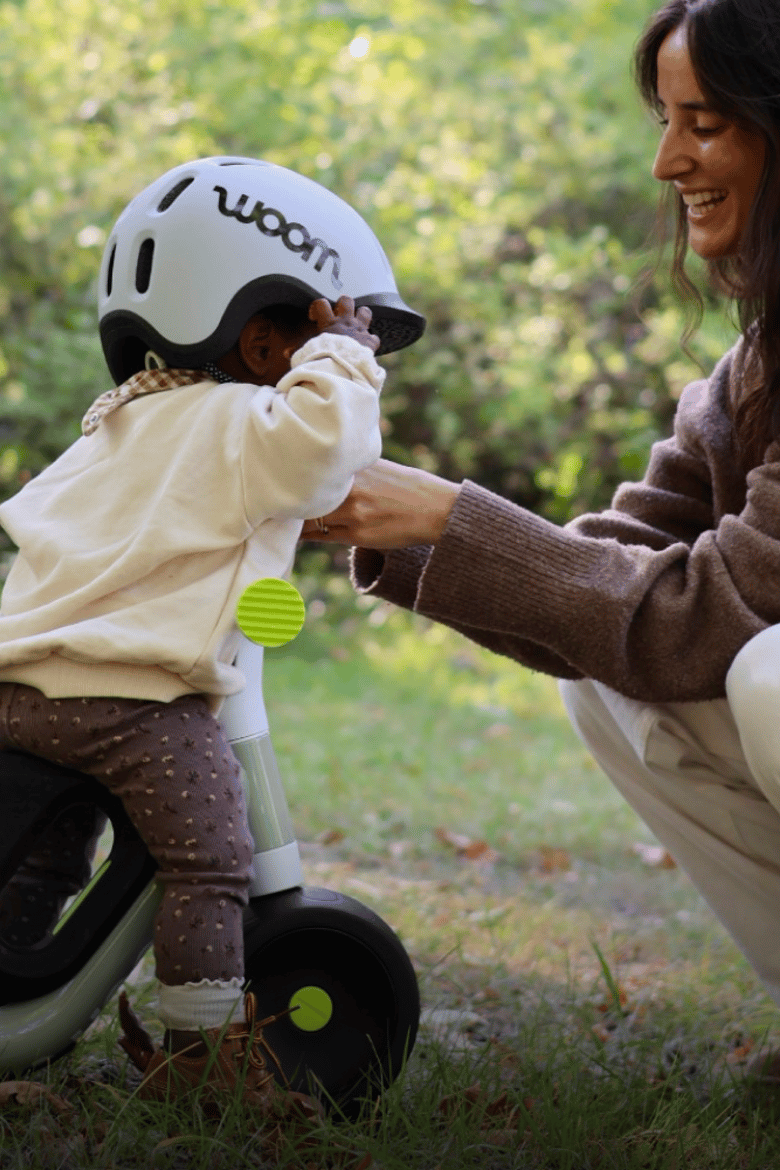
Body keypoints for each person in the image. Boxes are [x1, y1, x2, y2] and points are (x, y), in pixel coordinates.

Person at [301, 0, 780, 1067]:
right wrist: (390, 522)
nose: (667, 161)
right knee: (601, 675)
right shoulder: (748, 373)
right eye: (664, 120)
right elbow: (601, 562)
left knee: (768, 675)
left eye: (703, 124)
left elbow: (719, 611)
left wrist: (446, 513)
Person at [0, 156, 424, 1110]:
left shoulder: (117, 423)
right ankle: (203, 1062)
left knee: (47, 847)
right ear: (268, 343)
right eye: (318, 338)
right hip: (132, 704)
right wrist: (345, 352)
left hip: (23, 688)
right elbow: (322, 449)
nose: (346, 364)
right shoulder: (240, 418)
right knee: (212, 858)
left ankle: (19, 965)